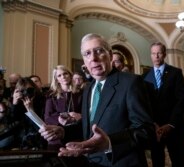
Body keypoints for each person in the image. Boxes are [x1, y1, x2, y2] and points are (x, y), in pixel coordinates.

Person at [39, 33, 155, 167]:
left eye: (99, 51)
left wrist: (109, 143)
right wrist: (64, 131)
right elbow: (89, 125)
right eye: (87, 53)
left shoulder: (131, 82)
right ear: (84, 60)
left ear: (110, 55)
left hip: (121, 162)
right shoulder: (89, 88)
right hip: (92, 162)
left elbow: (147, 131)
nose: (93, 58)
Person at [143, 42, 184, 167]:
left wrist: (170, 124)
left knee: (178, 161)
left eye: (159, 53)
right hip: (155, 128)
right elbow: (145, 103)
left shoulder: (176, 73)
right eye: (153, 53)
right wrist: (153, 124)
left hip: (174, 127)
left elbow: (181, 99)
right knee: (157, 161)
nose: (156, 56)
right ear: (151, 55)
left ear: (164, 54)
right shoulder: (144, 76)